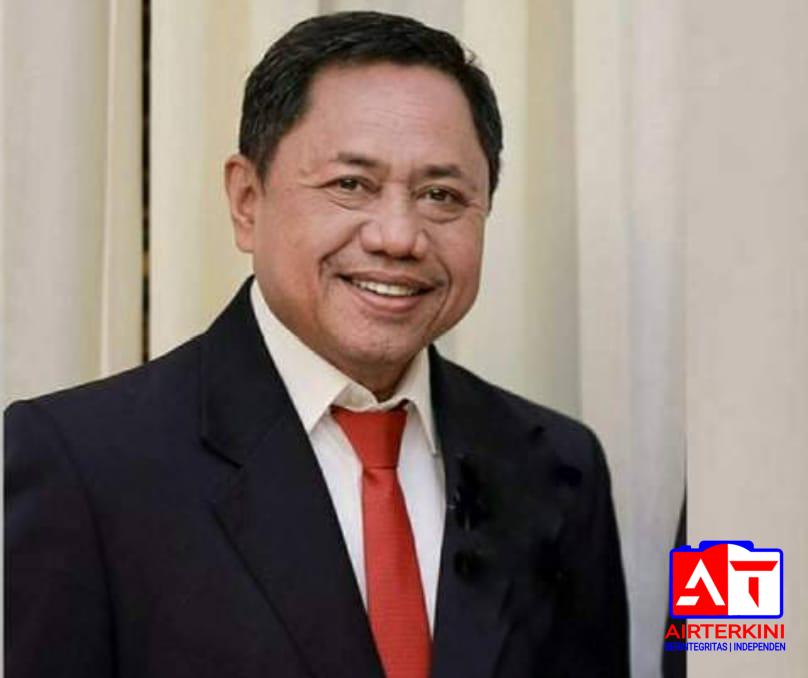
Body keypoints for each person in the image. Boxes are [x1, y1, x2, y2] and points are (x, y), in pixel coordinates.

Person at [5, 11, 628, 678]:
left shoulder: (557, 468)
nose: (398, 236)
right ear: (247, 199)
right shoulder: (84, 465)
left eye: (441, 195)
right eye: (351, 185)